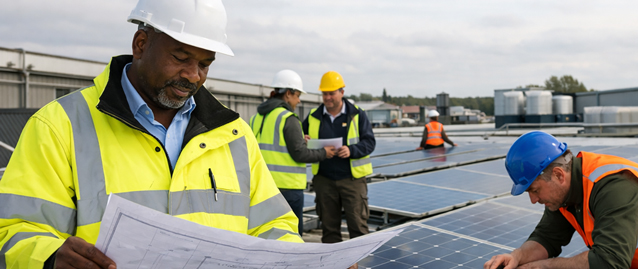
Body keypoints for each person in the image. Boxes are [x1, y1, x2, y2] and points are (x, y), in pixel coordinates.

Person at [0, 1, 301, 268]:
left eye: (204, 64)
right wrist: (49, 258)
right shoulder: (59, 126)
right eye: (180, 58)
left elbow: (273, 226)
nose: (193, 75)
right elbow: (17, 229)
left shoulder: (234, 134)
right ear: (141, 44)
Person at [484, 131, 638, 269]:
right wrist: (516, 257)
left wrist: (543, 267)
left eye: (534, 190)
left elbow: (610, 262)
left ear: (559, 175)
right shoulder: (563, 195)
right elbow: (547, 238)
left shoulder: (613, 186)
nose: (533, 200)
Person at [249, 69, 337, 236]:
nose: (298, 100)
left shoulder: (255, 118)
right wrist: (324, 153)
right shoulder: (288, 118)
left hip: (262, 187)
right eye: (297, 95)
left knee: (266, 234)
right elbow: (300, 154)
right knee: (291, 235)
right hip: (288, 189)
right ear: (288, 94)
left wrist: (298, 139)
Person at [302, 71, 375, 245]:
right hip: (324, 180)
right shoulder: (313, 116)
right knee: (329, 229)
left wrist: (351, 150)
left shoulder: (357, 115)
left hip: (352, 180)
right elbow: (300, 138)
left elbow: (369, 142)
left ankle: (359, 259)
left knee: (358, 226)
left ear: (342, 92)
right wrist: (302, 138)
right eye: (324, 94)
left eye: (331, 93)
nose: (328, 98)